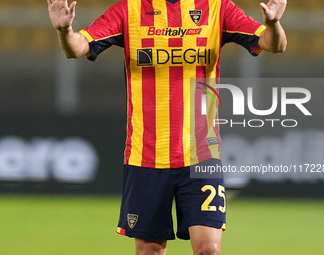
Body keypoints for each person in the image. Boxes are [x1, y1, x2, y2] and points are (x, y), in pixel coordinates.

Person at [47, 0, 286, 254]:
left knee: (209, 250)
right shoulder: (129, 10)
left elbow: (275, 44)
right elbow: (77, 48)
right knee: (150, 251)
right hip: (146, 157)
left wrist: (273, 23)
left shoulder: (217, 8)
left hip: (201, 155)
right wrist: (64, 31)